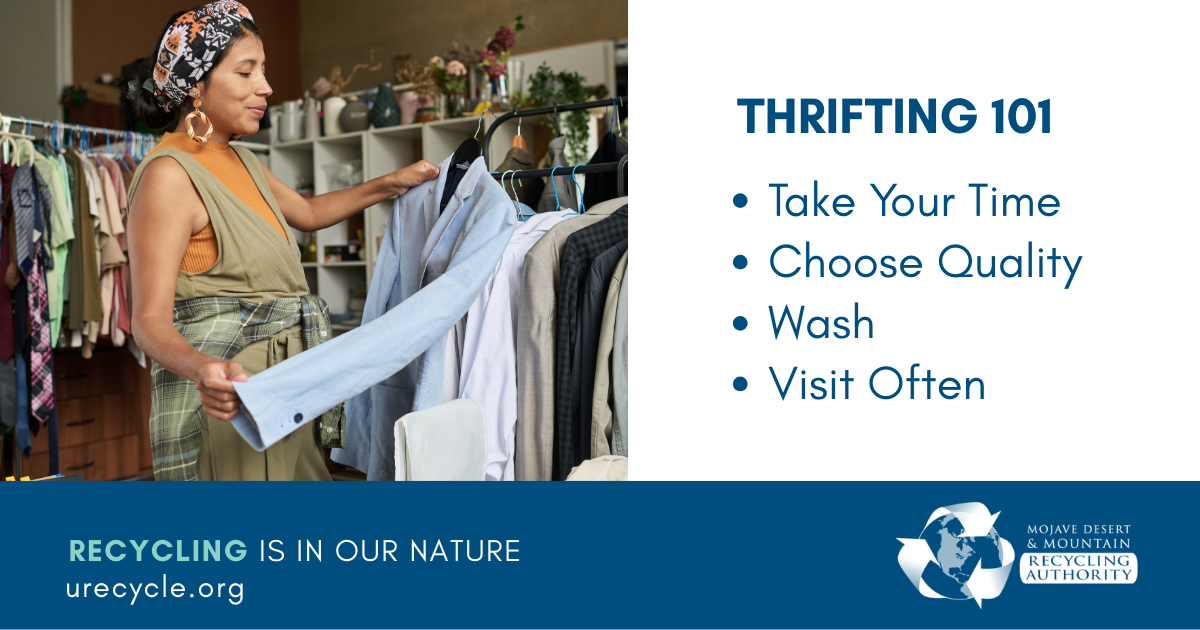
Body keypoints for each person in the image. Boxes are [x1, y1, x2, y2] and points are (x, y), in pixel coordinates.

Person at [125, 2, 439, 480]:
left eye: (264, 70)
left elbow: (308, 214)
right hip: (233, 398)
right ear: (196, 85)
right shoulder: (169, 175)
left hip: (289, 387)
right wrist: (203, 368)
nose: (266, 87)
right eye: (246, 71)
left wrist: (390, 184)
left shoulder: (244, 159)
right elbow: (148, 321)